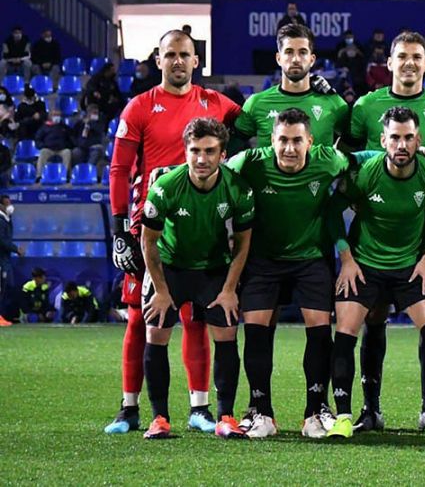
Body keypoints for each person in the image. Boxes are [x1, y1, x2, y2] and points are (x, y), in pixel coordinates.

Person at [105, 29, 242, 435]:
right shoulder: (139, 107)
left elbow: (255, 122)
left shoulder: (215, 103)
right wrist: (118, 228)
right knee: (139, 317)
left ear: (196, 60)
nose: (178, 61)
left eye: (185, 54)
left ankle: (199, 408)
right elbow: (119, 169)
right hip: (151, 225)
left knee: (197, 317)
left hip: (202, 225)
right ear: (158, 60)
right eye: (170, 55)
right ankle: (130, 408)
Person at [347, 31, 425, 432]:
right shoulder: (365, 106)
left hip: (420, 233)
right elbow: (351, 166)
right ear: (389, 63)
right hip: (373, 235)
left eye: (417, 56)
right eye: (402, 56)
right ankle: (369, 409)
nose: (409, 62)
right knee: (371, 321)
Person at [326, 107, 425, 439]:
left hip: (410, 266)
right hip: (364, 265)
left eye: (408, 137)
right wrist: (346, 257)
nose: (402, 145)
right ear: (383, 140)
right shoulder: (365, 173)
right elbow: (330, 211)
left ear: (418, 140)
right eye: (395, 137)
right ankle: (347, 416)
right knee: (345, 333)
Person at [227, 108, 350, 439]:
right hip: (263, 260)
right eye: (283, 140)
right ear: (272, 140)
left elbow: (362, 158)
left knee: (320, 332)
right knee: (255, 332)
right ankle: (261, 411)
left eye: (298, 141)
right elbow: (213, 172)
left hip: (310, 258)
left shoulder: (328, 160)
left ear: (310, 141)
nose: (290, 148)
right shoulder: (249, 162)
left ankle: (315, 411)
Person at [140, 117, 255, 440]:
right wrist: (161, 291)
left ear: (222, 154)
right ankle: (159, 418)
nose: (201, 158)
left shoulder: (237, 187)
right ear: (186, 151)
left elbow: (244, 242)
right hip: (171, 269)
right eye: (194, 151)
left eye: (209, 151)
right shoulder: (166, 186)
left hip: (214, 269)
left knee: (227, 334)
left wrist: (230, 288)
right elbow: (148, 241)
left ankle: (226, 417)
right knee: (156, 333)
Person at [236, 24, 348, 148]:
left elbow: (354, 142)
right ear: (278, 58)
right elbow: (232, 146)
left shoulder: (334, 103)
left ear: (312, 60)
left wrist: (338, 162)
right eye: (289, 52)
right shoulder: (256, 103)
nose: (295, 59)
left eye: (302, 52)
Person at [0, 194, 22, 326]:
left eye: (10, 203)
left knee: (8, 287)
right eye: (6, 203)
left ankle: (5, 315)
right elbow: (1, 240)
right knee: (2, 287)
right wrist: (16, 249)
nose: (10, 206)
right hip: (1, 260)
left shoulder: (7, 219)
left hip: (5, 259)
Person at [35, 109, 73, 180]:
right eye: (55, 115)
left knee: (67, 152)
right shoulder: (44, 127)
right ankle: (39, 176)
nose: (57, 117)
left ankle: (66, 176)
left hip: (61, 149)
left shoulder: (64, 127)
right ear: (50, 116)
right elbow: (38, 139)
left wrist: (66, 145)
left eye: (58, 115)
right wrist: (43, 146)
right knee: (43, 152)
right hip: (48, 149)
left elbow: (70, 137)